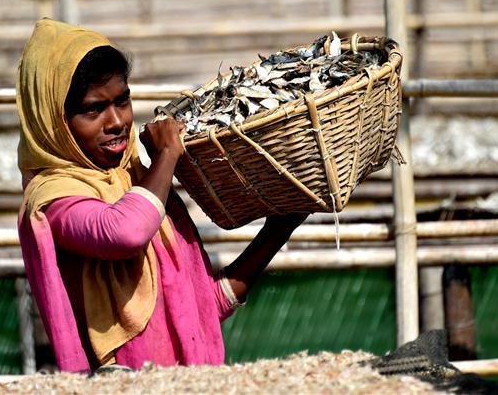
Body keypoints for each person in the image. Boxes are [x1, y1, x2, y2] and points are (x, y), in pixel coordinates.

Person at [17, 19, 306, 373]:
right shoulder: (54, 200)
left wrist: (281, 226)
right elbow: (125, 233)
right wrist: (167, 155)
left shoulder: (141, 184)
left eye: (121, 101)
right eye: (93, 109)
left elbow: (203, 309)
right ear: (54, 121)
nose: (116, 121)